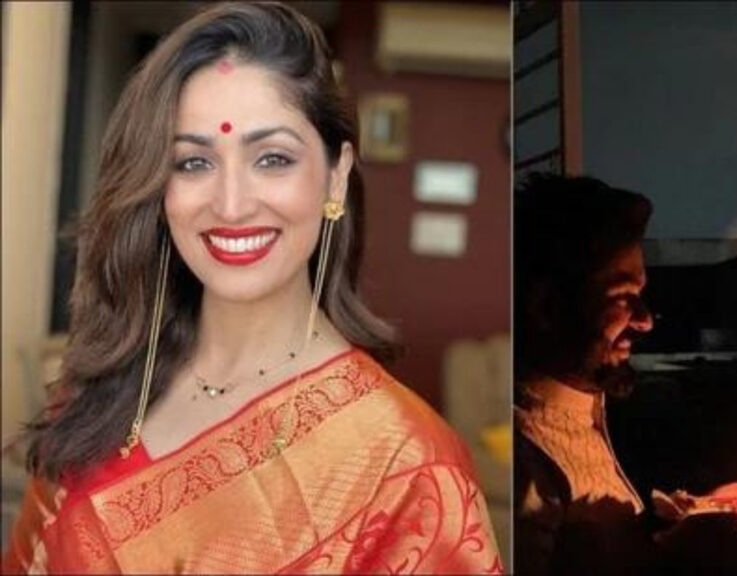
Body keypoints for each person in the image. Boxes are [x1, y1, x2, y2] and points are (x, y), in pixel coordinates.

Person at [2, 3, 501, 573]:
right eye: (193, 163)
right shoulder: (107, 384)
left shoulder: (407, 464)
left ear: (336, 175)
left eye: (272, 158)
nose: (232, 205)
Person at [512, 173, 656, 575]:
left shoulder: (585, 411)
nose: (645, 321)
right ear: (546, 308)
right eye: (623, 297)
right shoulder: (519, 465)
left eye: (640, 296)